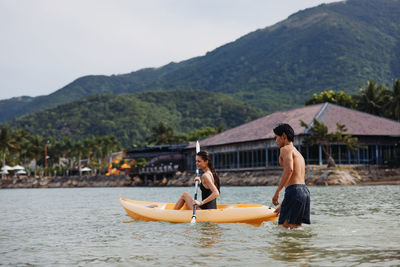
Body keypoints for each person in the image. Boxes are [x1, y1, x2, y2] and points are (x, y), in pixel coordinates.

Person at [272, 123, 311, 229]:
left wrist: (278, 192)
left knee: (284, 229)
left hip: (294, 191)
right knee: (296, 228)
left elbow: (289, 170)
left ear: (283, 136)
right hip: (304, 192)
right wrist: (284, 203)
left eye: (276, 137)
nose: (276, 141)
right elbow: (297, 181)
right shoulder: (298, 154)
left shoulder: (285, 149)